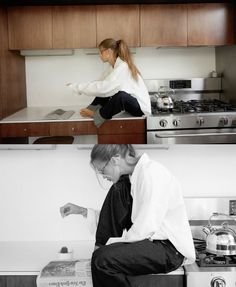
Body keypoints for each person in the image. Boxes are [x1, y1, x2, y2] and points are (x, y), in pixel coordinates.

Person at [60, 144, 196, 287]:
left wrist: (111, 246)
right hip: (153, 243)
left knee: (102, 260)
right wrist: (83, 211)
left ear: (115, 159)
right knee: (119, 188)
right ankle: (100, 249)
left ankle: (100, 251)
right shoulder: (132, 180)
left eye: (102, 170)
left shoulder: (151, 172)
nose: (102, 175)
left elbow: (147, 225)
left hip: (169, 250)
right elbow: (118, 217)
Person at [66, 38, 151, 127]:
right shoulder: (112, 68)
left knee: (120, 95)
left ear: (109, 51)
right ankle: (92, 109)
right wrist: (78, 87)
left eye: (101, 52)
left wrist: (77, 88)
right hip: (130, 105)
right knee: (107, 91)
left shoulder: (122, 67)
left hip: (140, 109)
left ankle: (97, 115)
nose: (99, 55)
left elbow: (103, 87)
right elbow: (99, 84)